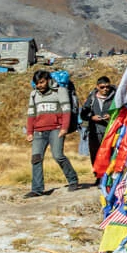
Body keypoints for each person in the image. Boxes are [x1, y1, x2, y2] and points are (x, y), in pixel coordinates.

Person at [25, 69, 87, 197]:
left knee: (58, 155)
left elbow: (66, 111)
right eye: (37, 83)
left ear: (48, 80)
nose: (39, 85)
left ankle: (73, 180)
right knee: (36, 159)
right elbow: (31, 114)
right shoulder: (34, 94)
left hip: (56, 129)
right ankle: (37, 189)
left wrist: (64, 128)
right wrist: (30, 132)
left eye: (42, 82)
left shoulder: (60, 91)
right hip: (39, 132)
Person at [79, 77, 115, 182]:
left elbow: (122, 112)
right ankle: (98, 177)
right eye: (102, 87)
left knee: (110, 154)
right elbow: (83, 115)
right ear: (97, 87)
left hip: (110, 131)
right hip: (94, 131)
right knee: (95, 154)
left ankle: (109, 178)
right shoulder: (92, 98)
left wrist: (112, 116)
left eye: (107, 87)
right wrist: (92, 117)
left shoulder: (116, 98)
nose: (105, 89)